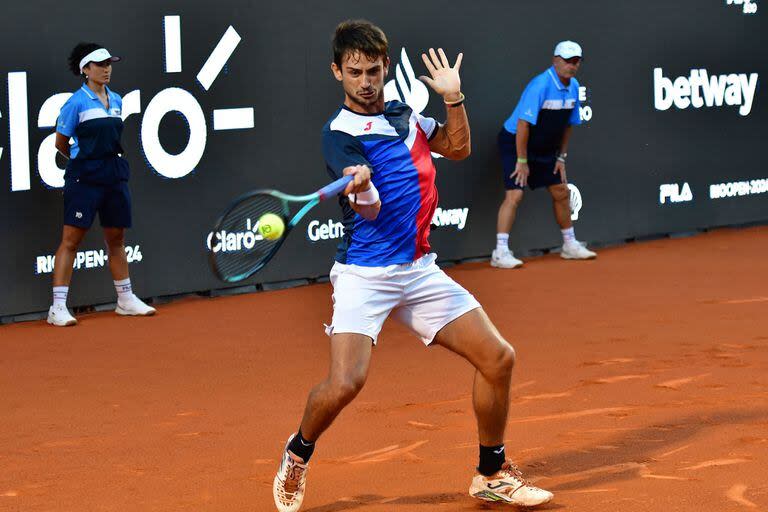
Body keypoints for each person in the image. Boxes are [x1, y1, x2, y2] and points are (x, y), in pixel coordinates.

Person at [272, 20, 553, 511]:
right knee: (345, 384)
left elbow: (457, 148)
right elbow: (372, 210)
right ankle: (298, 453)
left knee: (498, 358)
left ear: (385, 68)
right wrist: (362, 184)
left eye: (374, 71)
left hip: (419, 271)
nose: (365, 81)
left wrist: (454, 98)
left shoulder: (406, 117)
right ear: (337, 71)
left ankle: (490, 473)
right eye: (354, 72)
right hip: (365, 275)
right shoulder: (338, 136)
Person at [47, 42, 155, 326]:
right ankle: (57, 307)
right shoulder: (75, 103)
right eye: (100, 64)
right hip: (85, 176)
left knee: (116, 239)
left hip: (114, 174)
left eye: (109, 64)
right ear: (85, 69)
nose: (106, 69)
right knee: (71, 240)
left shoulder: (117, 99)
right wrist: (84, 162)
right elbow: (61, 142)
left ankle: (125, 299)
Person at [491, 40, 597, 269]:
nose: (572, 65)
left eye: (576, 61)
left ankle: (569, 245)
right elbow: (523, 125)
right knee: (515, 195)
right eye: (568, 61)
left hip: (545, 147)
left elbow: (569, 125)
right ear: (555, 61)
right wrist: (521, 160)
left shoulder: (574, 86)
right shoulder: (540, 85)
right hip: (515, 142)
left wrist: (561, 157)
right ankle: (500, 252)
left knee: (560, 191)